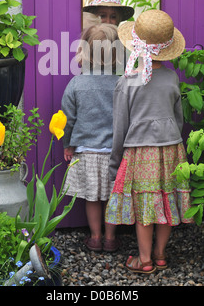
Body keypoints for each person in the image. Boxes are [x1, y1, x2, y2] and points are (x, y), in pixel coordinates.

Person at [105, 9, 193, 274]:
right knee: (165, 202)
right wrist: (173, 144)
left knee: (145, 208)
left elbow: (119, 127)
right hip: (171, 150)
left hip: (140, 153)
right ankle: (161, 254)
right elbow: (178, 120)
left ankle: (144, 261)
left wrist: (114, 163)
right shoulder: (172, 78)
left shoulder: (127, 82)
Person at [61, 23, 121, 252]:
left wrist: (69, 146)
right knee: (113, 198)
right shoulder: (121, 84)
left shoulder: (77, 84)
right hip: (115, 153)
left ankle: (95, 237)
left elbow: (68, 119)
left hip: (86, 152)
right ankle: (110, 238)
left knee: (93, 199)